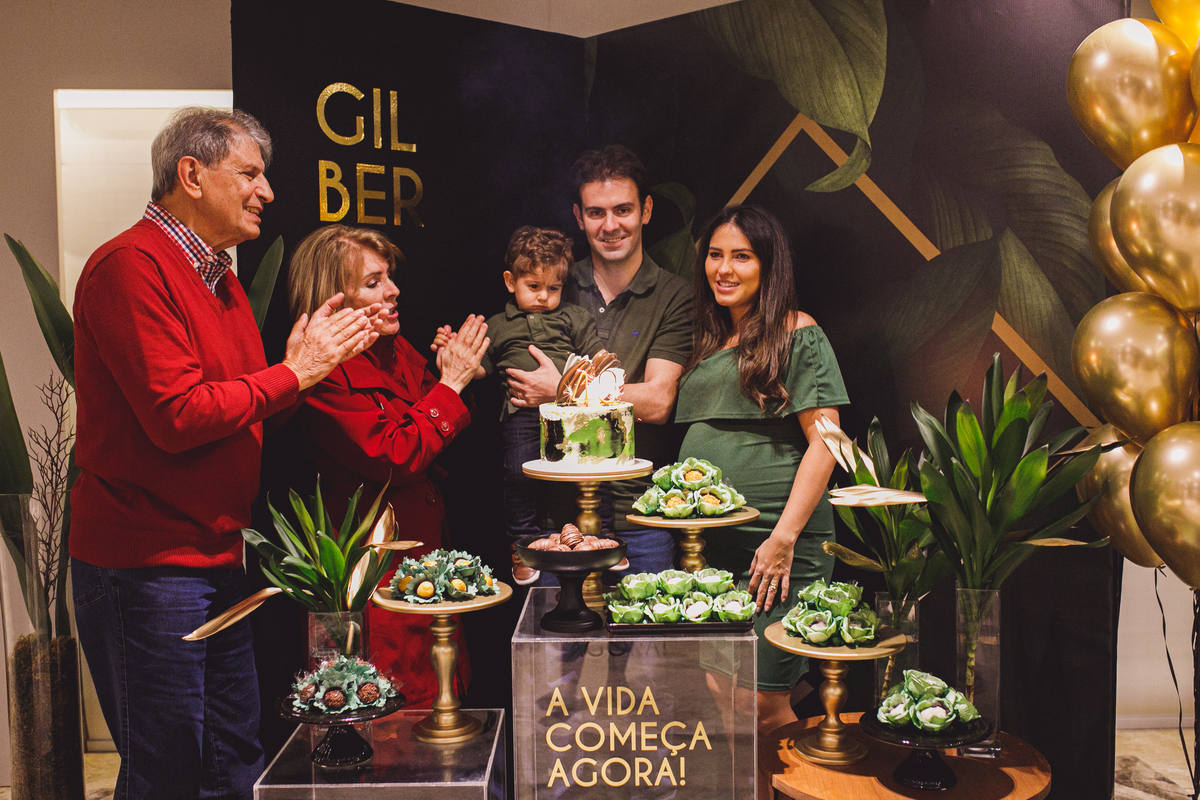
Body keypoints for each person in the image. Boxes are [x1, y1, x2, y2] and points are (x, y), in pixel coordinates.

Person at [70, 106, 377, 800]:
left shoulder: (223, 276)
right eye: (250, 173)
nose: (266, 191)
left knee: (235, 759)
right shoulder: (129, 267)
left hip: (214, 556)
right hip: (146, 570)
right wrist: (293, 373)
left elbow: (250, 400)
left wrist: (304, 368)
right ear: (192, 175)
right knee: (168, 771)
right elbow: (178, 417)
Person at [289, 224, 489, 709]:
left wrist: (455, 372)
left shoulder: (391, 346)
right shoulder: (321, 375)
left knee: (437, 701)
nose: (394, 290)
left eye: (390, 277)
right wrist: (452, 385)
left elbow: (437, 420)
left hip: (421, 560)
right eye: (373, 282)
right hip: (372, 580)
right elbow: (397, 454)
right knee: (389, 710)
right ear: (333, 300)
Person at [675, 205, 848, 741]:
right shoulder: (710, 341)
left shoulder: (799, 332)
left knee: (762, 705)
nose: (724, 269)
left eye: (741, 257)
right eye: (715, 255)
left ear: (769, 267)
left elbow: (828, 442)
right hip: (719, 552)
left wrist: (783, 537)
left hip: (778, 550)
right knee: (724, 695)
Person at [506, 146, 691, 573]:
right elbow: (512, 365)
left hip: (639, 515)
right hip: (559, 520)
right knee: (556, 641)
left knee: (644, 639)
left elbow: (658, 402)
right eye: (596, 213)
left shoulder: (675, 295)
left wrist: (560, 390)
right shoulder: (551, 284)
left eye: (623, 209)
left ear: (645, 210)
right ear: (578, 216)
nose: (610, 226)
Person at [432, 226, 604, 585]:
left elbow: (598, 362)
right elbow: (478, 370)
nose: (543, 297)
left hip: (571, 415)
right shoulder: (497, 324)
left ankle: (591, 539)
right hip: (520, 415)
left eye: (553, 288)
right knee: (517, 475)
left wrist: (571, 386)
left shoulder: (573, 317)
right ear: (511, 281)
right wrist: (453, 353)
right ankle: (524, 543)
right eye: (534, 287)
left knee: (582, 476)